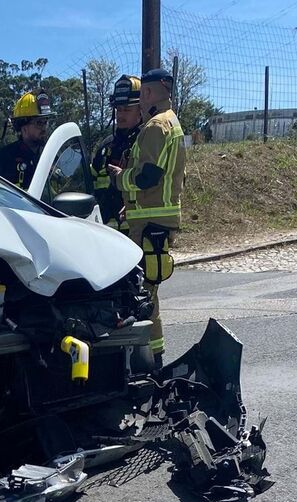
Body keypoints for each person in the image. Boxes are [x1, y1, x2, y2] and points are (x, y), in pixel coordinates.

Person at [108, 68, 185, 367]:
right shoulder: (171, 123)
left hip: (151, 225)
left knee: (144, 295)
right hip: (154, 220)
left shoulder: (155, 126)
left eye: (140, 98)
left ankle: (151, 362)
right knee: (147, 293)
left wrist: (119, 179)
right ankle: (151, 358)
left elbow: (147, 176)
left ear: (149, 93)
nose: (138, 104)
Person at [91, 75, 142, 230]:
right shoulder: (106, 145)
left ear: (141, 110)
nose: (120, 115)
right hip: (106, 233)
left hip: (136, 232)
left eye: (127, 109)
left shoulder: (146, 142)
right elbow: (91, 183)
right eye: (118, 109)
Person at [0, 91, 54, 190]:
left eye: (46, 122)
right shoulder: (1, 159)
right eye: (39, 123)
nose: (44, 128)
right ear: (23, 128)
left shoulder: (51, 156)